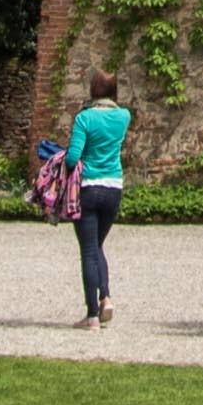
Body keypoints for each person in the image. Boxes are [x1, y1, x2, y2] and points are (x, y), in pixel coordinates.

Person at [66, 70, 129, 328]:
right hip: (114, 187)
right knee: (98, 246)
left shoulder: (85, 118)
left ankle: (92, 315)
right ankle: (106, 297)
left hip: (89, 188)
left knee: (89, 250)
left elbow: (72, 158)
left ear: (93, 90)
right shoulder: (124, 116)